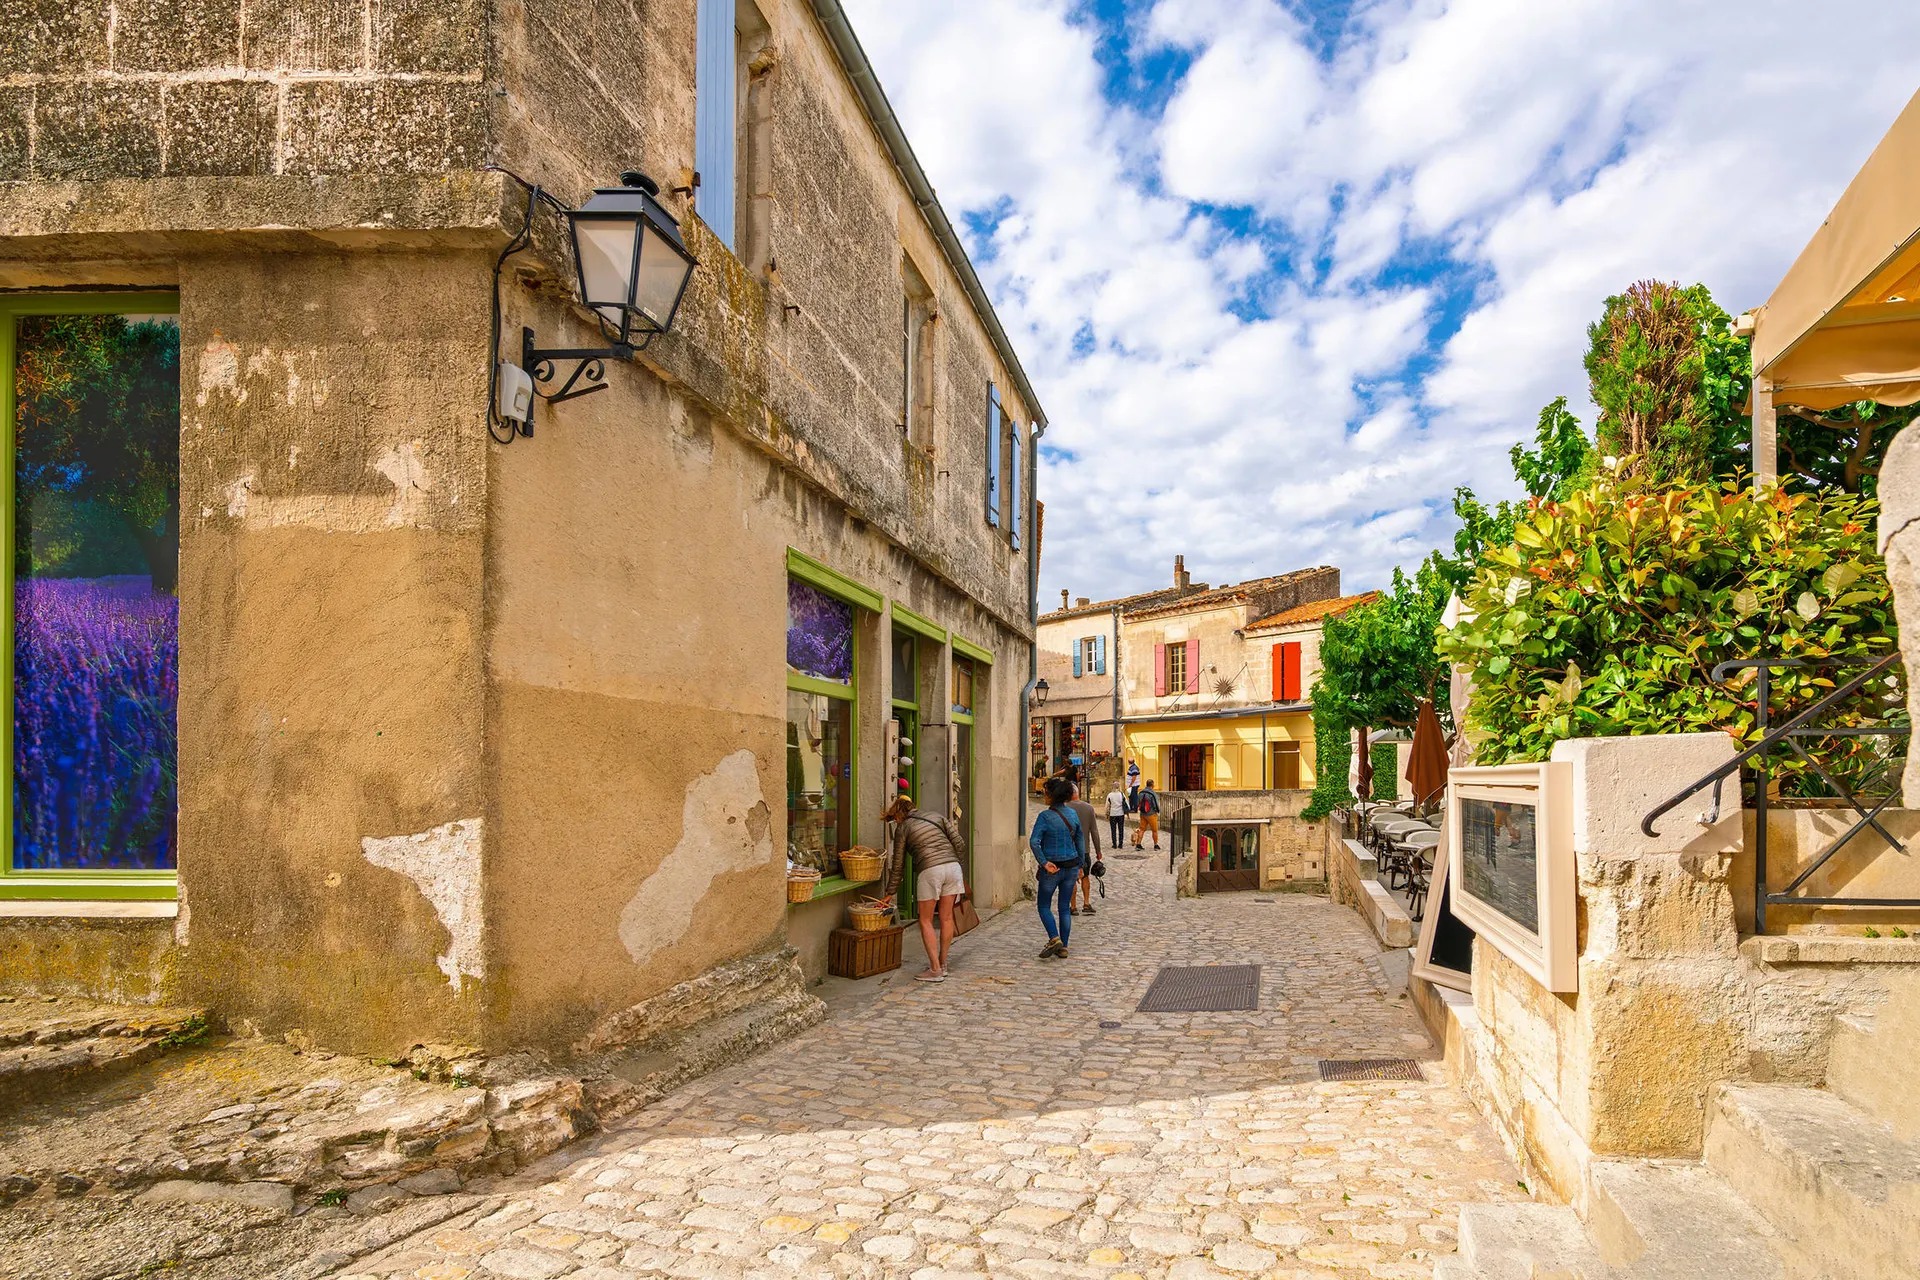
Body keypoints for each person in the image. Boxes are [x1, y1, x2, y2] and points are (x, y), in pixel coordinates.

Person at [883, 796, 968, 982]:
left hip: (930, 870)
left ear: (899, 814)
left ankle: (935, 969)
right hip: (953, 868)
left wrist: (890, 892)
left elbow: (898, 865)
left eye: (894, 818)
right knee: (946, 918)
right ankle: (943, 964)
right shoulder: (936, 817)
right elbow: (960, 843)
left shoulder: (903, 828)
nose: (895, 822)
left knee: (926, 920)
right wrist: (956, 864)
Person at [1028, 777, 1083, 959]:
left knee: (1044, 905)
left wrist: (1043, 862)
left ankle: (1054, 938)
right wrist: (1081, 865)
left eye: (1046, 792)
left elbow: (1034, 842)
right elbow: (1080, 841)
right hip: (1071, 865)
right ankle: (1064, 946)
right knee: (1064, 908)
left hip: (1052, 868)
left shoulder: (1045, 817)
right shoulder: (1073, 815)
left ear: (1051, 795)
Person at [1066, 782, 1103, 916]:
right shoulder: (1088, 808)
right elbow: (1094, 832)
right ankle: (1086, 903)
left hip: (1069, 851)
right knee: (1085, 876)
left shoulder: (1064, 808)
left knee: (1071, 878)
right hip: (1085, 849)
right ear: (1077, 793)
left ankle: (1073, 906)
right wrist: (1098, 850)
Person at [1132, 779, 1162, 850]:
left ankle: (1138, 844)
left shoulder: (1141, 792)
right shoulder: (1152, 793)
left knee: (1142, 829)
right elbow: (1155, 804)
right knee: (1154, 830)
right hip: (1151, 814)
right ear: (1152, 785)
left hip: (1143, 814)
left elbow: (1138, 803)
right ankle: (1155, 845)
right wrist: (1157, 811)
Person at [1105, 782, 1127, 850]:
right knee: (1121, 829)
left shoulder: (1110, 795)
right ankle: (1120, 844)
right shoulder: (1122, 794)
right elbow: (1126, 804)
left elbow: (1107, 805)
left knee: (1113, 829)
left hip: (1113, 814)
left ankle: (1114, 844)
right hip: (1121, 814)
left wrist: (1106, 813)